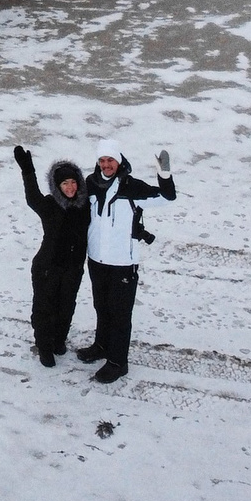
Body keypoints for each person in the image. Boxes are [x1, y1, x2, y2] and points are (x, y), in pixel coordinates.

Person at [80, 138, 175, 385]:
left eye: (110, 160)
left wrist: (164, 175)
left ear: (119, 160)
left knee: (120, 314)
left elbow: (167, 198)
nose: (106, 164)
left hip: (123, 262)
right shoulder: (91, 184)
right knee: (101, 306)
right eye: (102, 160)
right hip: (96, 259)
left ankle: (118, 362)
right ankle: (101, 345)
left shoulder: (132, 187)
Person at [12, 147, 89, 367]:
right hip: (47, 267)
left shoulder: (85, 206)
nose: (70, 187)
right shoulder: (49, 205)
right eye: (65, 183)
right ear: (57, 186)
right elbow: (31, 197)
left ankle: (58, 340)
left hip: (73, 268)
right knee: (45, 308)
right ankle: (45, 347)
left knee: (66, 307)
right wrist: (28, 170)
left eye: (73, 182)